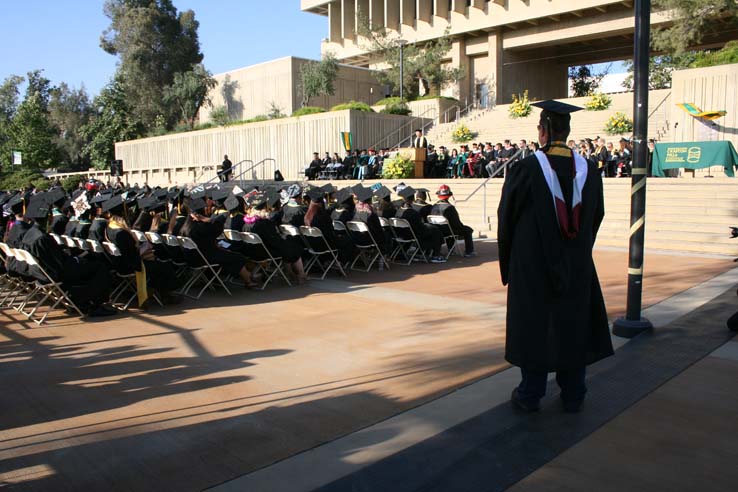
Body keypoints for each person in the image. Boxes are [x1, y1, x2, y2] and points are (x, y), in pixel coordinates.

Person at [497, 100, 613, 414]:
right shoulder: (589, 171)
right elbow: (596, 215)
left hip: (532, 264)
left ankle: (530, 393)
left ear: (544, 130)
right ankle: (574, 393)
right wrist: (579, 250)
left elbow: (506, 216)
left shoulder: (525, 168)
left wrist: (508, 262)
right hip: (575, 264)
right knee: (571, 322)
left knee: (535, 323)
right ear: (567, 130)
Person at [396, 186, 446, 263]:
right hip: (411, 235)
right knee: (435, 231)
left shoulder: (399, 210)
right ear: (412, 199)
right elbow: (420, 228)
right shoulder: (413, 213)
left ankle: (420, 252)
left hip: (400, 234)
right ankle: (435, 255)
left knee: (431, 229)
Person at [431, 185, 475, 257]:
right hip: (448, 231)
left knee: (449, 228)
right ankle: (469, 251)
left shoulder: (434, 206)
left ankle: (451, 249)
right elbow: (456, 223)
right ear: (449, 196)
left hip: (437, 231)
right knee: (467, 230)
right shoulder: (450, 208)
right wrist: (461, 227)